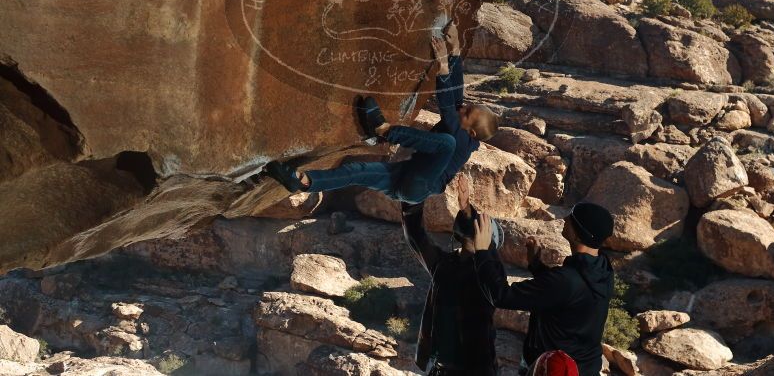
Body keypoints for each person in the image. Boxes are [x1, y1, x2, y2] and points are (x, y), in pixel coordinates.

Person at [260, 24, 499, 204]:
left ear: (472, 131)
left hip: (419, 187)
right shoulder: (463, 125)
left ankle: (383, 130)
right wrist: (456, 48)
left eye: (467, 114)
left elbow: (448, 105)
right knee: (358, 172)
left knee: (446, 143)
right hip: (406, 177)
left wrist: (443, 65)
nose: (463, 109)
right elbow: (457, 96)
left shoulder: (463, 141)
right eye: (469, 107)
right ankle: (301, 181)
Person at [472, 203, 615, 376]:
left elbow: (501, 296)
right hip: (584, 367)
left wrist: (483, 251)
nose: (564, 219)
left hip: (551, 369)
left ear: (578, 236)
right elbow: (569, 295)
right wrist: (537, 266)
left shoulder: (566, 280)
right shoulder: (603, 270)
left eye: (571, 219)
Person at [402, 175, 505, 375]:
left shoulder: (490, 273)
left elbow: (490, 262)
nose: (474, 223)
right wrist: (412, 196)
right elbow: (415, 236)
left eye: (480, 224)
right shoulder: (445, 265)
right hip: (441, 370)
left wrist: (467, 210)